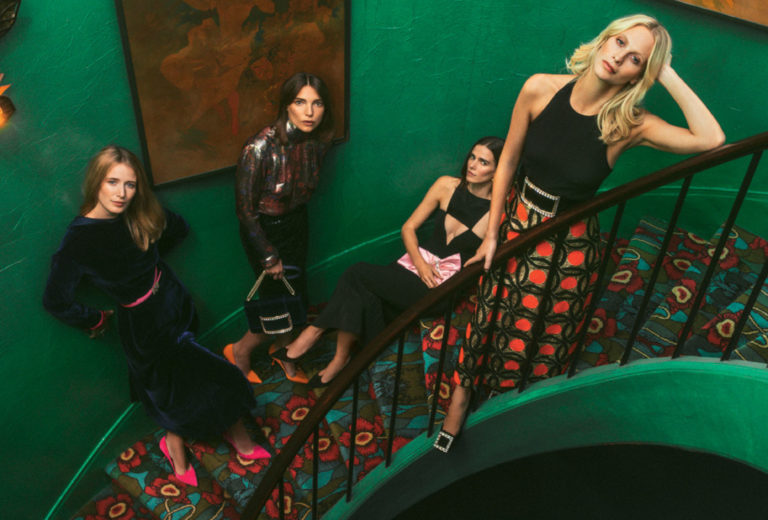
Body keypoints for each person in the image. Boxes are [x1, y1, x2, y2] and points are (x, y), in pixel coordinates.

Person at [434, 14, 725, 453]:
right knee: (491, 308)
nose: (619, 58)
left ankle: (513, 406)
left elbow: (711, 138)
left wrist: (664, 71)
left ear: (639, 75)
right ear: (605, 40)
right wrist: (492, 232)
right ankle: (460, 399)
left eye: (636, 59)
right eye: (620, 43)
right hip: (516, 219)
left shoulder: (629, 123)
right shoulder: (539, 88)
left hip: (570, 243)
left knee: (539, 328)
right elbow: (508, 160)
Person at [43, 146, 270, 487]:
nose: (122, 193)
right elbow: (54, 299)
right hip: (144, 328)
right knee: (195, 386)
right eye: (112, 182)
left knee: (179, 386)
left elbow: (178, 227)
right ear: (96, 182)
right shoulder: (78, 240)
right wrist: (95, 319)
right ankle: (200, 444)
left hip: (173, 303)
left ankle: (185, 441)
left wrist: (149, 261)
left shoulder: (138, 212)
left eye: (130, 184)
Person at [276, 136, 504, 387]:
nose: (472, 165)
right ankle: (342, 359)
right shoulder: (446, 186)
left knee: (357, 273)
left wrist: (431, 274)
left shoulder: (497, 213)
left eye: (483, 162)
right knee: (362, 296)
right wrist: (420, 263)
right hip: (413, 265)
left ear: (498, 172)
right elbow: (408, 228)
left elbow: (482, 262)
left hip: (439, 287)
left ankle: (314, 332)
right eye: (473, 157)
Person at [224, 72, 335, 385]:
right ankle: (240, 350)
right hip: (265, 229)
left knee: (296, 296)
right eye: (300, 102)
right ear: (287, 105)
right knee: (275, 303)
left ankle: (284, 352)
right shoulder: (258, 147)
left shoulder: (317, 141)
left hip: (297, 222)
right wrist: (268, 254)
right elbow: (245, 211)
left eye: (317, 104)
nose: (309, 112)